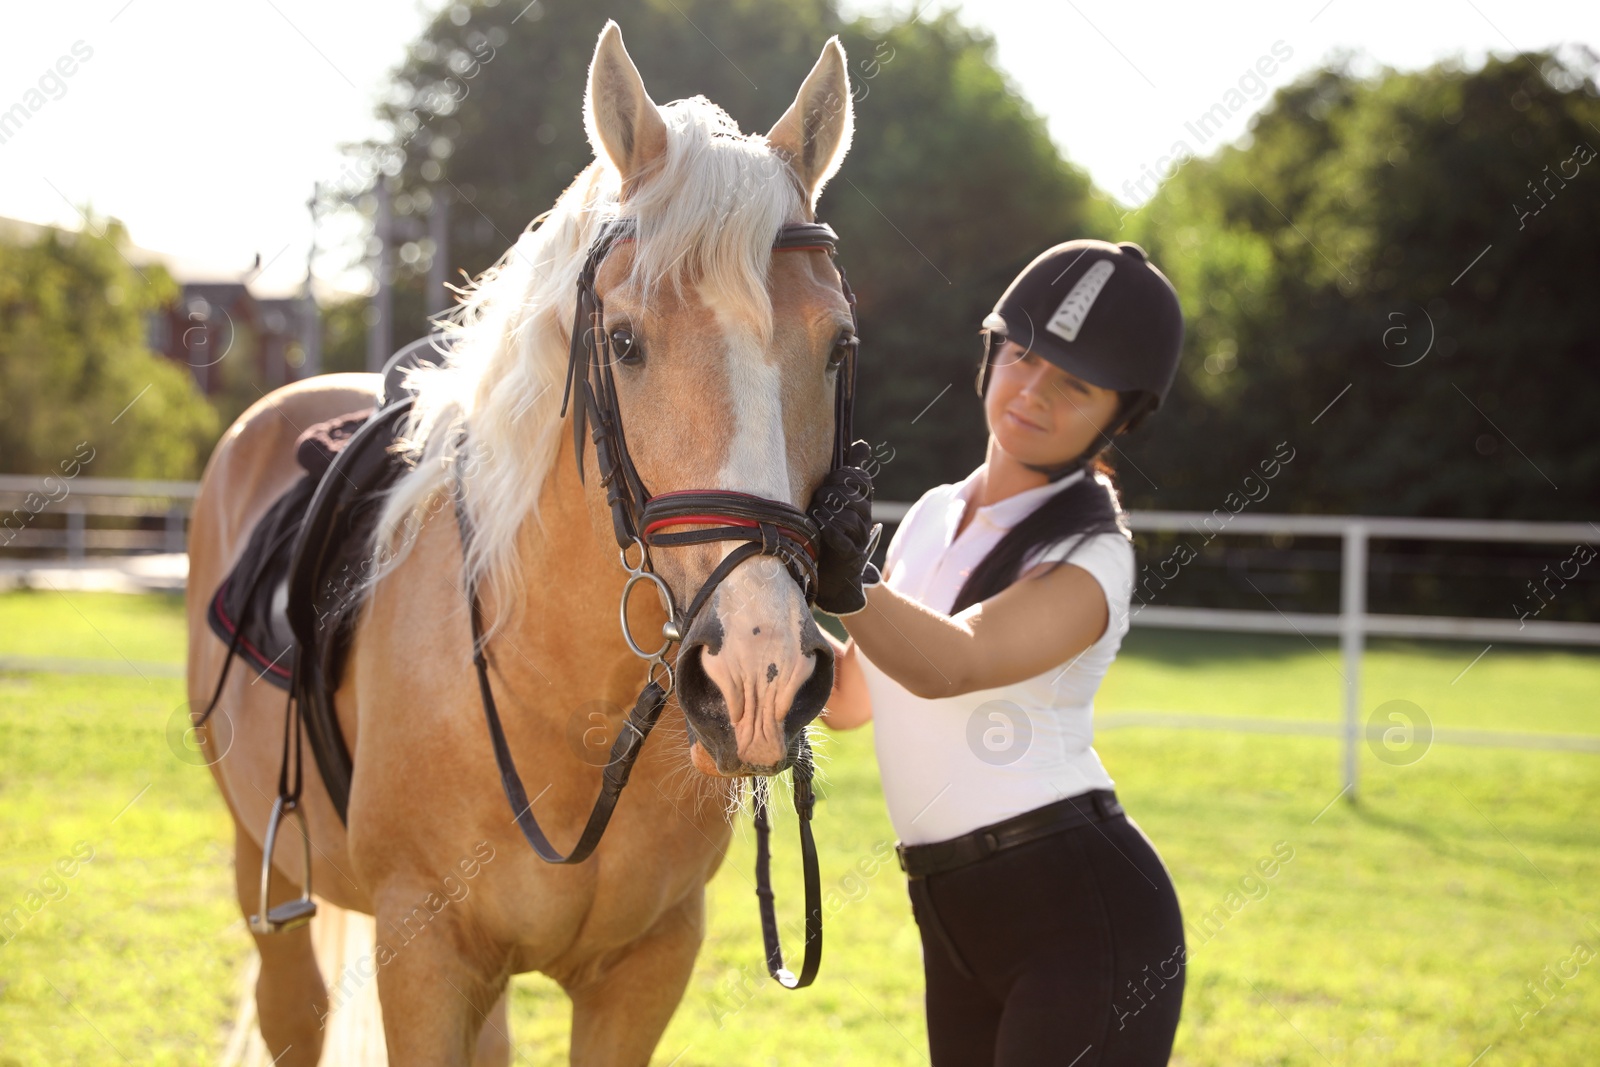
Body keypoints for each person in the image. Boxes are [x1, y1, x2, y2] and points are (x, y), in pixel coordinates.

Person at [812, 240, 1189, 1065]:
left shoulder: (1096, 556)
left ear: (1120, 417)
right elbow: (850, 700)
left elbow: (955, 663)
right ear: (991, 352)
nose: (1034, 392)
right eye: (1025, 356)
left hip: (1081, 921)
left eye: (1076, 384)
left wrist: (837, 575)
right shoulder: (935, 513)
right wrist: (757, 598)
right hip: (953, 910)